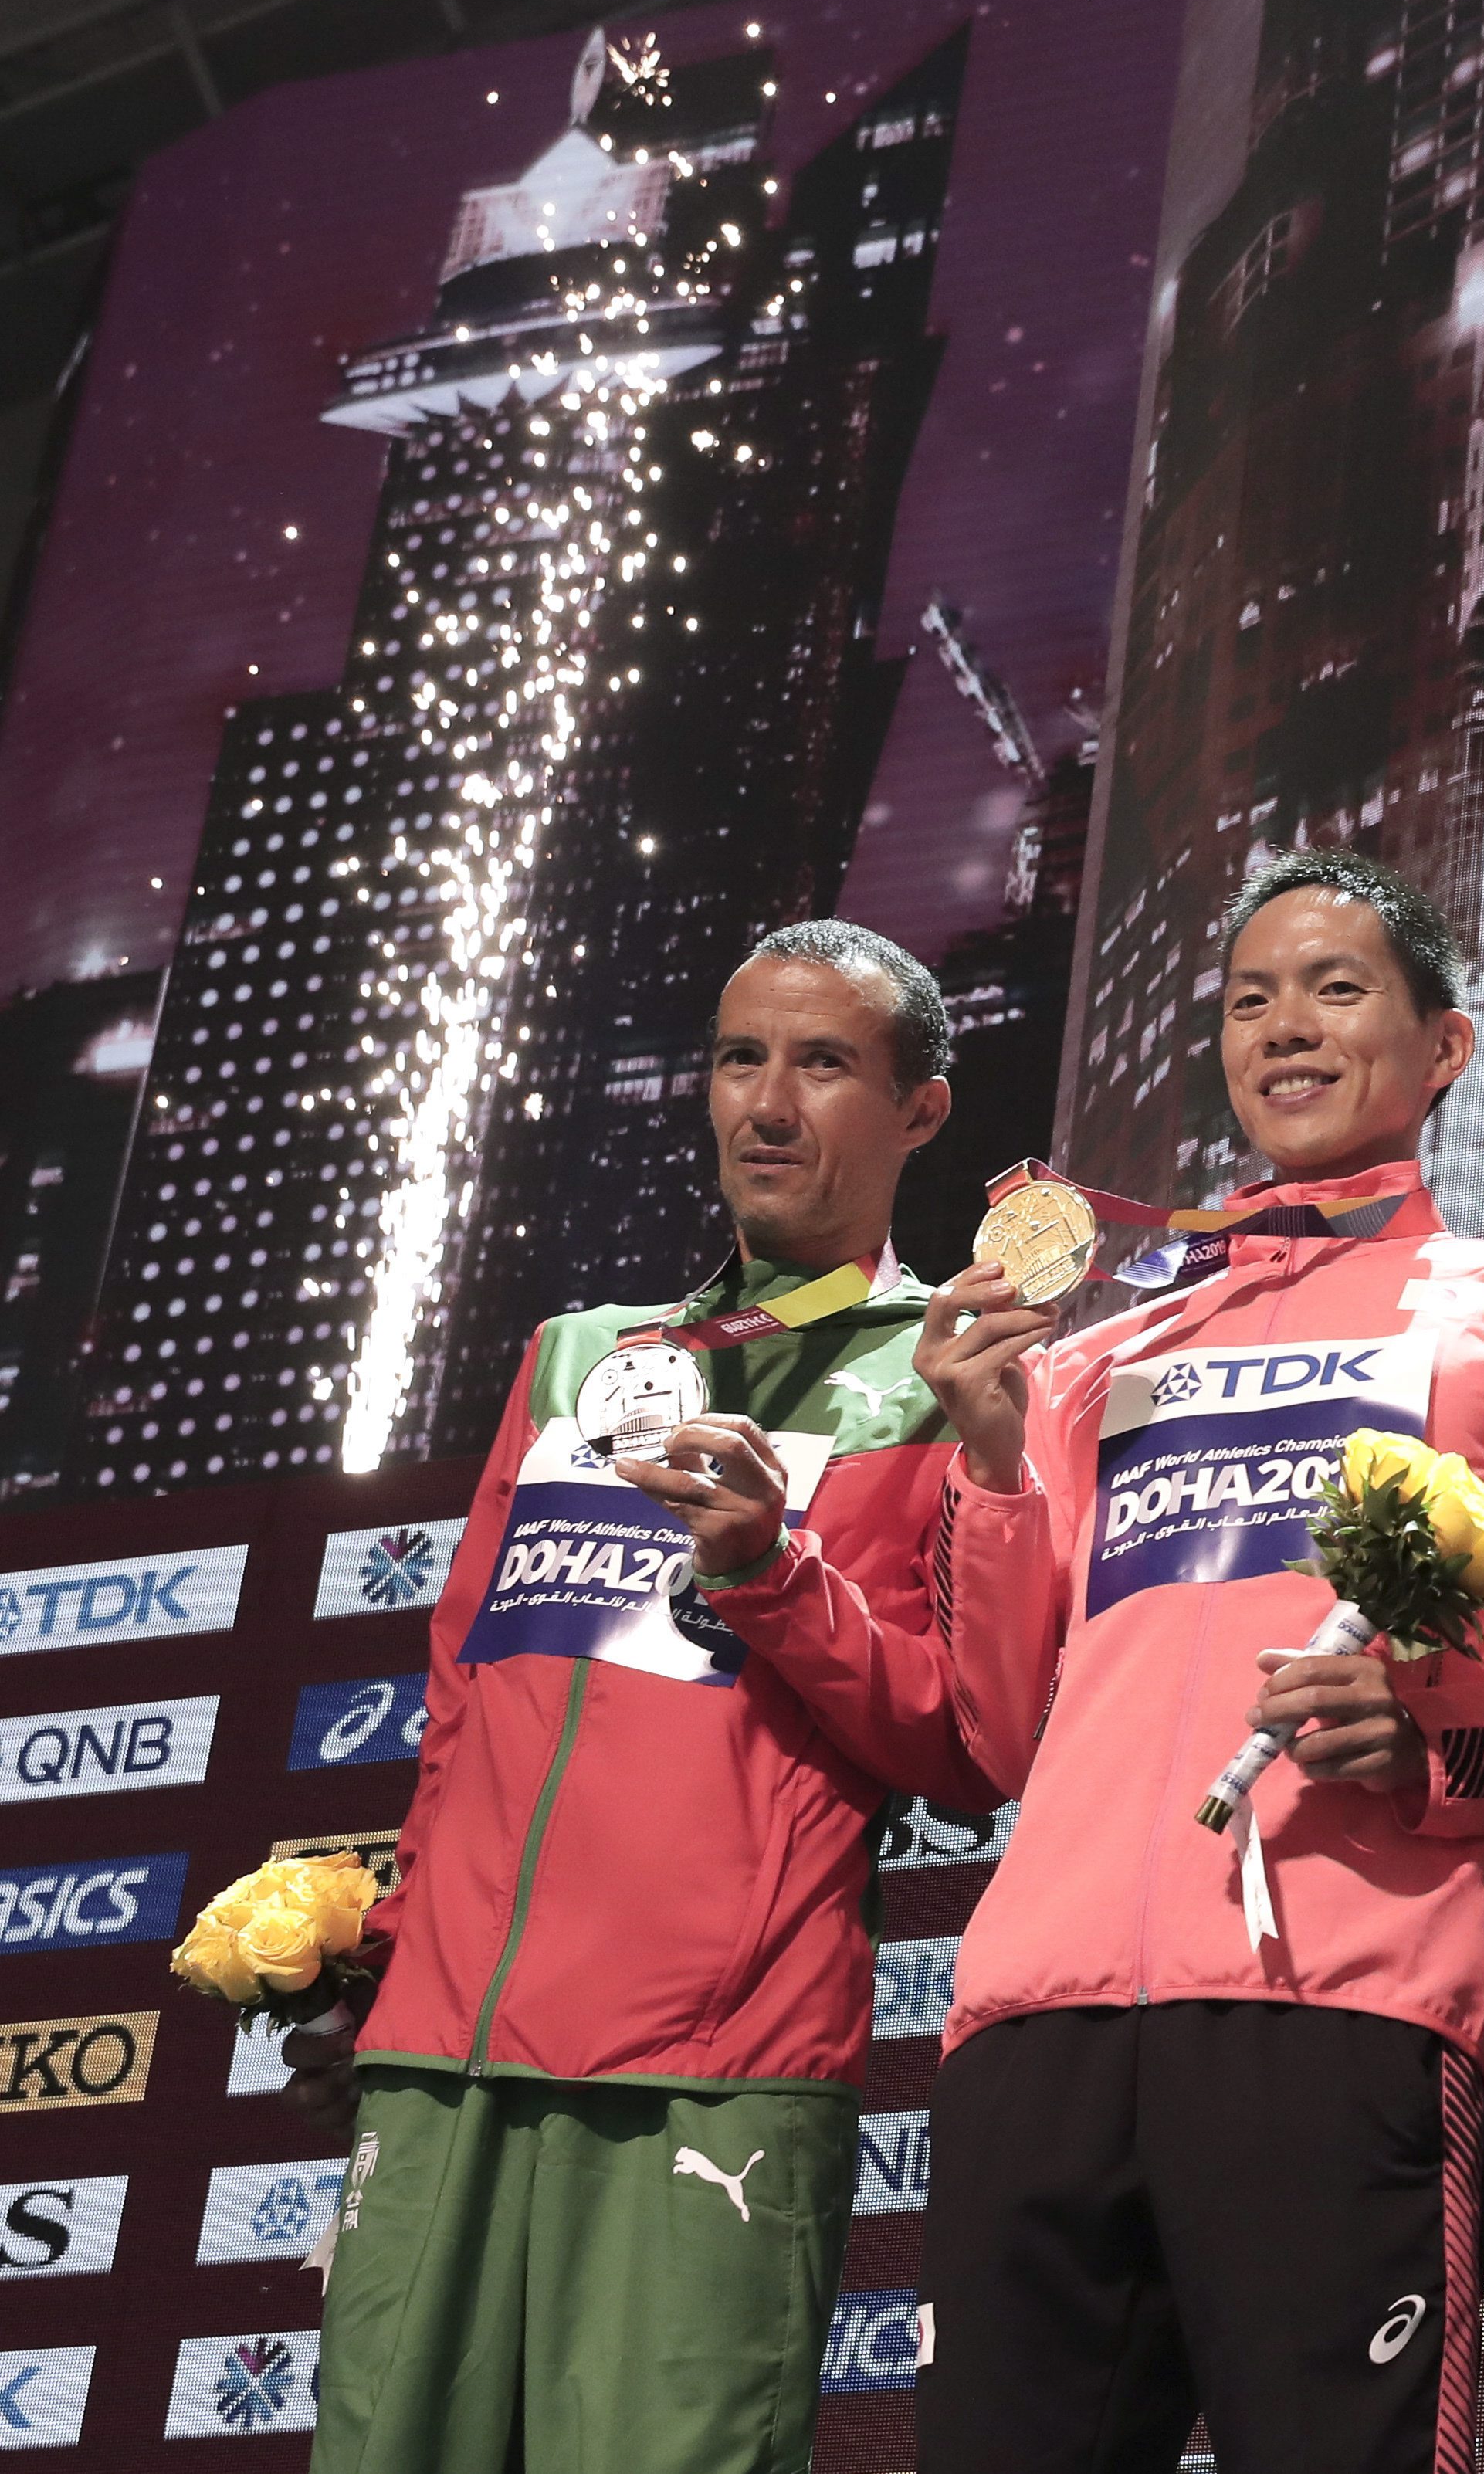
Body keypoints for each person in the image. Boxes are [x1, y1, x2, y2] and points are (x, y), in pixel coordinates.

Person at [911, 848, 1484, 2474]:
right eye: (1251, 999)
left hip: (1335, 2008)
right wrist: (984, 1462)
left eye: (1335, 989)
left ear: (1445, 1047)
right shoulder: (1098, 1356)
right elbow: (990, 1720)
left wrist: (1435, 1736)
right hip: (1035, 2021)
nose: (1286, 1029)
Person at [301, 919, 1004, 2474]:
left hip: (711, 2074)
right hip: (447, 2065)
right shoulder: (576, 1359)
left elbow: (966, 1741)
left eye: (823, 1064)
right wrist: (399, 1967)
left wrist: (777, 1577)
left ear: (923, 1109)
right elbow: (464, 1706)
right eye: (739, 1057)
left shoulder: (950, 1384)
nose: (766, 1103)